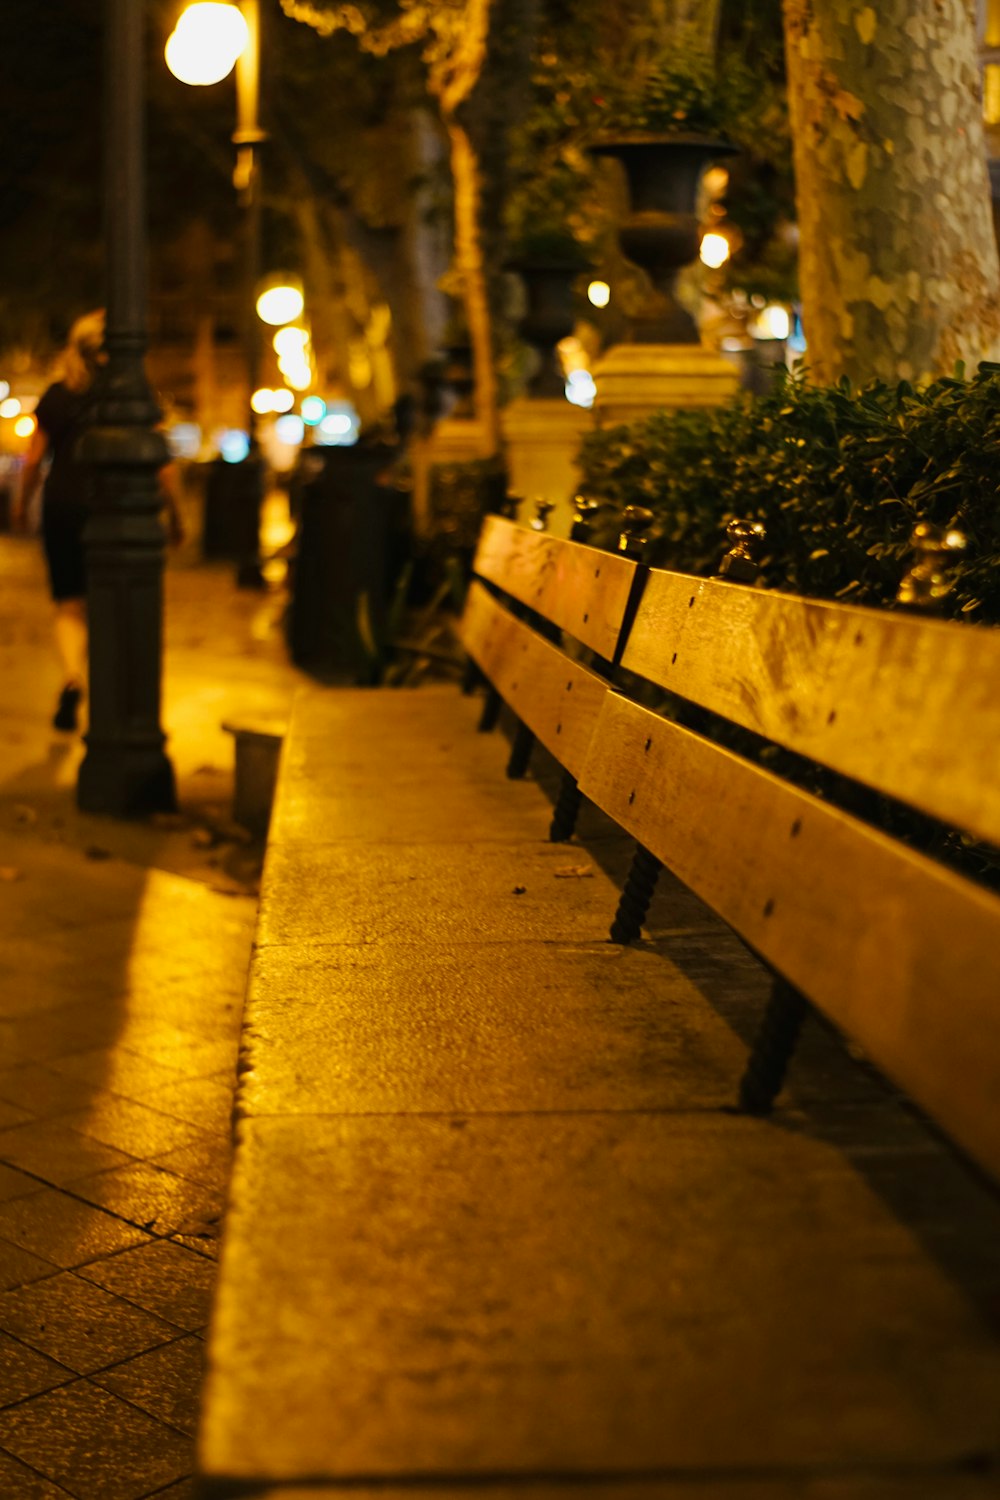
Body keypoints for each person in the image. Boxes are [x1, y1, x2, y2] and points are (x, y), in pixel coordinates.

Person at [13, 311, 183, 733]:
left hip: (63, 506)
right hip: (115, 505)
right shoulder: (133, 393)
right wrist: (175, 513)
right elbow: (161, 461)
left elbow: (34, 460)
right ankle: (113, 695)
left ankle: (74, 676)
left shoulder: (57, 394)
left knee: (69, 601)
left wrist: (22, 504)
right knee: (111, 598)